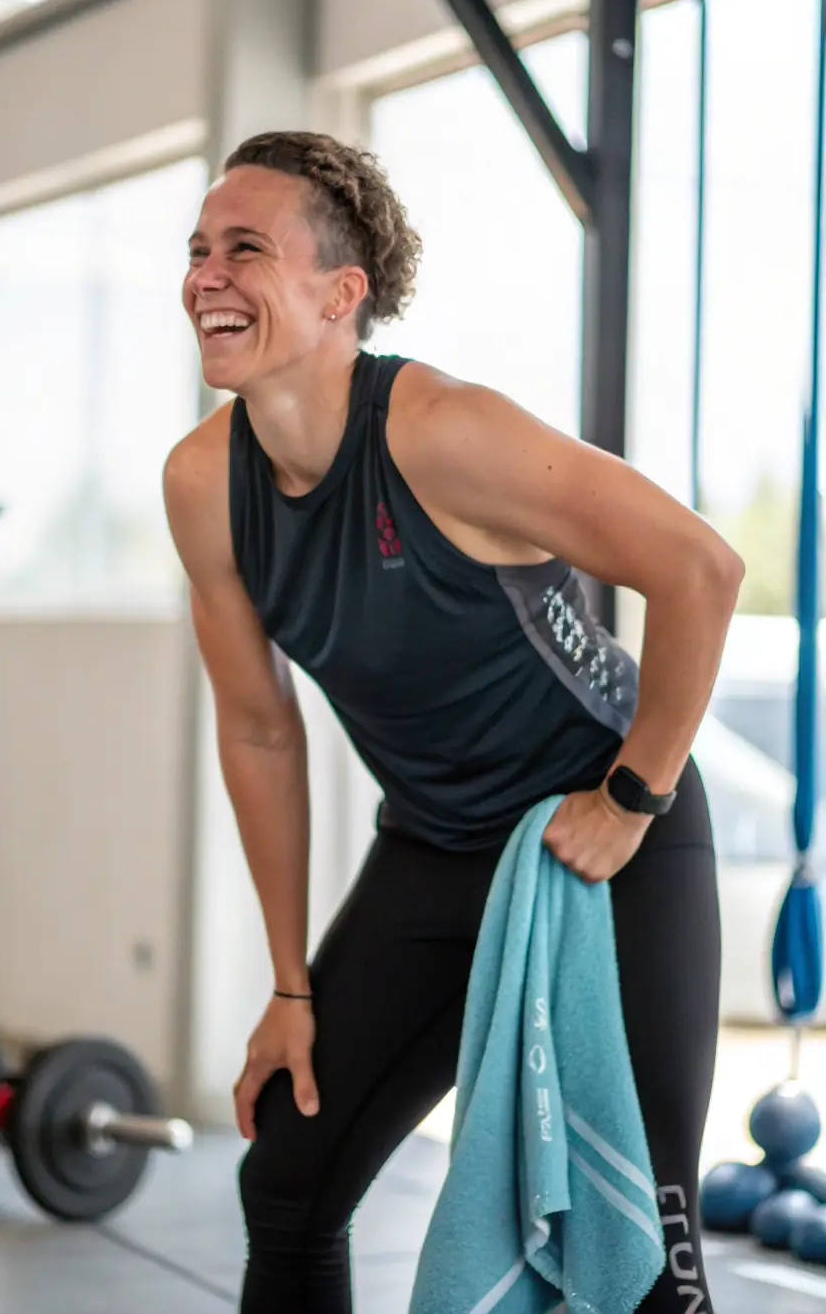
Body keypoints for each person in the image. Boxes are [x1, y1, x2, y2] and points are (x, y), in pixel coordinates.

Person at [163, 130, 742, 1314]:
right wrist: (290, 988)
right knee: (289, 1177)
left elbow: (699, 569)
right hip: (437, 844)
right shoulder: (202, 484)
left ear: (342, 293)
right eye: (198, 250)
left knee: (647, 1246)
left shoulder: (440, 431)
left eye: (245, 249)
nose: (206, 276)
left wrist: (631, 798)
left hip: (608, 832)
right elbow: (260, 732)